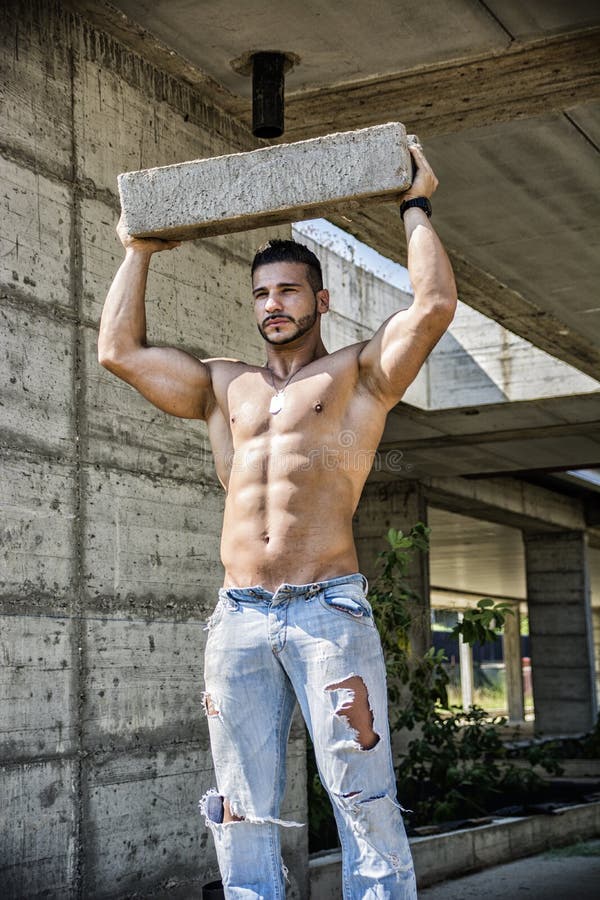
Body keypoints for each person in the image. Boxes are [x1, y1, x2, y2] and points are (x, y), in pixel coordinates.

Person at [98, 141, 457, 899]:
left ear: (319, 301)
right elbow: (118, 351)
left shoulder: (359, 375)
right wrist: (138, 250)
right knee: (242, 811)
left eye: (290, 292)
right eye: (263, 294)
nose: (273, 306)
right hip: (238, 617)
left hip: (328, 609)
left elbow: (432, 308)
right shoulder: (223, 385)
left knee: (363, 800)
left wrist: (414, 205)